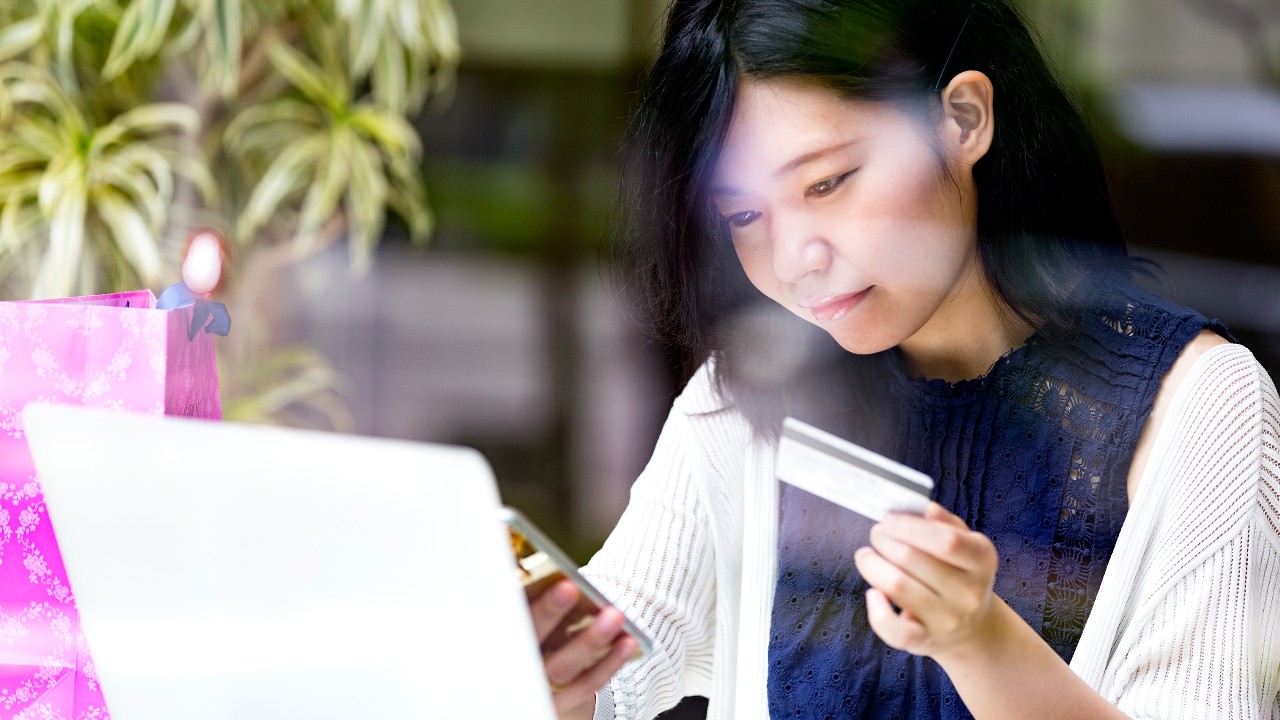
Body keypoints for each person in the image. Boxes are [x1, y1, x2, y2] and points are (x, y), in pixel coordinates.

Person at [526, 0, 1280, 718]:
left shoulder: (1201, 402)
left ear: (963, 118)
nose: (794, 259)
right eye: (746, 213)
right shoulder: (753, 389)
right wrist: (544, 658)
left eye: (828, 181)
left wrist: (978, 641)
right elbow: (615, 678)